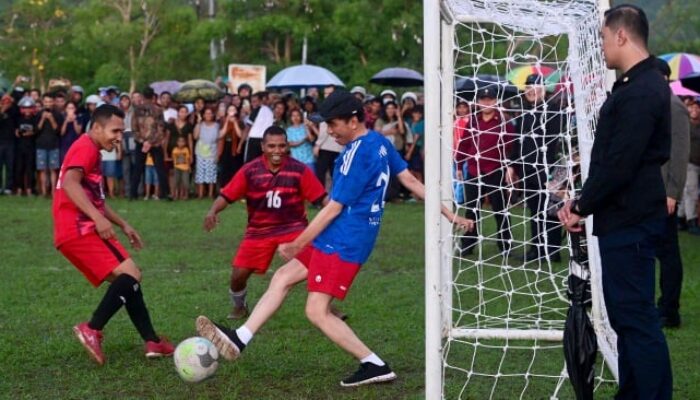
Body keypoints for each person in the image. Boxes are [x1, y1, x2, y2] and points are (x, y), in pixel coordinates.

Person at [195, 92, 474, 386]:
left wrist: (297, 242)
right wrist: (451, 216)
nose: (329, 131)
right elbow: (412, 181)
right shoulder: (379, 141)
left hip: (345, 239)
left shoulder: (355, 154)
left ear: (354, 121)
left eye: (333, 124)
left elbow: (333, 208)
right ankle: (239, 339)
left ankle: (374, 364)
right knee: (283, 277)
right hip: (341, 234)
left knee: (316, 310)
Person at [557, 5, 672, 399]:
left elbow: (619, 164)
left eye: (604, 38)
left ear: (621, 35)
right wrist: (582, 201)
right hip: (622, 219)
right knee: (626, 317)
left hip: (632, 220)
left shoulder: (644, 89)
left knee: (637, 318)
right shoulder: (634, 84)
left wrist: (580, 204)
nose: (602, 46)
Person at [53, 104, 174, 365]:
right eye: (115, 130)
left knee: (129, 280)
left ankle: (152, 340)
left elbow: (94, 199)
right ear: (96, 127)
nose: (119, 136)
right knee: (131, 275)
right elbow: (70, 183)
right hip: (79, 228)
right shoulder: (85, 147)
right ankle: (92, 328)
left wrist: (123, 224)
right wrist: (96, 219)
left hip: (76, 229)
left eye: (122, 130)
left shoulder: (91, 149)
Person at [202, 125, 327, 319]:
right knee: (238, 276)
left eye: (281, 146)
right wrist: (212, 211)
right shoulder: (250, 170)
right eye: (271, 146)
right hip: (259, 231)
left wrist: (338, 213)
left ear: (287, 146)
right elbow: (227, 195)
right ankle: (240, 306)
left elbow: (322, 198)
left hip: (294, 228)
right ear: (262, 146)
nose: (277, 151)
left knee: (318, 263)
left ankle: (326, 309)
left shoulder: (299, 170)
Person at [508, 74, 564, 261]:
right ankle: (536, 249)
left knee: (550, 211)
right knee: (534, 211)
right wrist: (512, 167)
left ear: (543, 89)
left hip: (547, 171)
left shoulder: (554, 111)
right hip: (527, 171)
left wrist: (552, 173)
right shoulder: (524, 115)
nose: (531, 90)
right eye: (528, 87)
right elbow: (517, 144)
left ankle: (552, 251)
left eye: (536, 86)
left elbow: (555, 143)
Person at [654, 59, 691, 328]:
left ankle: (670, 309)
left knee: (668, 252)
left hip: (664, 192)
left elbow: (680, 154)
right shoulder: (656, 103)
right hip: (650, 190)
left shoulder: (674, 107)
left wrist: (673, 192)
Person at [456, 86, 515, 255]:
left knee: (500, 209)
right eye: (483, 99)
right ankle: (468, 244)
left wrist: (509, 168)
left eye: (489, 99)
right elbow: (464, 144)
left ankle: (505, 246)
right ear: (478, 102)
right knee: (472, 210)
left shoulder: (505, 122)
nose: (486, 102)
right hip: (474, 171)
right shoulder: (473, 121)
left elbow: (511, 148)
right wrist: (459, 166)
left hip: (495, 171)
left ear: (495, 101)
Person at [130, 87, 170, 201]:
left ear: (142, 97)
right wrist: (151, 142)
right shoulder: (158, 110)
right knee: (160, 169)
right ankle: (165, 194)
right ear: (153, 97)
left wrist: (143, 141)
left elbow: (134, 129)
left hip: (141, 143)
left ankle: (133, 194)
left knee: (138, 168)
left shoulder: (136, 110)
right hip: (155, 143)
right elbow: (161, 129)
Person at [679, 97, 700, 234]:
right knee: (690, 191)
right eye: (691, 107)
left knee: (688, 191)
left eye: (697, 107)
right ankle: (691, 221)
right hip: (689, 162)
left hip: (697, 163)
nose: (694, 110)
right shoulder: (684, 124)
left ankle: (679, 218)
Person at [36, 93, 63, 197]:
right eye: (46, 102)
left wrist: (51, 119)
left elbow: (58, 131)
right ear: (43, 102)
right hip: (41, 145)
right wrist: (42, 119)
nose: (48, 104)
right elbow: (36, 130)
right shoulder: (38, 114)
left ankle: (53, 191)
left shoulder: (58, 114)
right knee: (42, 169)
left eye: (50, 102)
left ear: (53, 102)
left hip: (54, 145)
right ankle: (43, 191)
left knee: (53, 169)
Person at [193, 107, 223, 198]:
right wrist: (198, 123)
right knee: (200, 173)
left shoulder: (217, 126)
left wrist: (218, 154)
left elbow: (219, 140)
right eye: (206, 113)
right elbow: (195, 136)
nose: (208, 115)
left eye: (210, 113)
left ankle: (210, 194)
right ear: (203, 115)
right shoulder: (200, 125)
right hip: (200, 151)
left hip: (212, 151)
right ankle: (200, 194)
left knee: (211, 174)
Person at [242, 92, 273, 163]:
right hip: (265, 140)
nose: (253, 104)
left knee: (250, 163)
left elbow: (247, 128)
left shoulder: (256, 111)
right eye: (252, 102)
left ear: (261, 101)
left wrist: (240, 144)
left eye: (255, 101)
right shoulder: (270, 111)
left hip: (253, 140)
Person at [217, 104, 243, 188]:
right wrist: (227, 122)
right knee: (224, 169)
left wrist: (235, 123)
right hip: (225, 147)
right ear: (227, 112)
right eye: (230, 110)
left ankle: (234, 188)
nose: (231, 112)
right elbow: (221, 135)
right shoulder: (222, 121)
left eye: (233, 110)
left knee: (235, 168)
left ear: (236, 112)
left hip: (235, 147)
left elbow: (240, 135)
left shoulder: (239, 121)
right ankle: (223, 188)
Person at [0, 94, 15, 194]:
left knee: (10, 166)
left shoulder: (13, 112)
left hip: (10, 142)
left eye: (8, 102)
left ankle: (9, 188)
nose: (6, 104)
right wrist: (2, 111)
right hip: (0, 142)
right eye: (4, 102)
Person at [171, 136, 191, 200]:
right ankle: (175, 195)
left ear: (185, 143)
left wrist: (189, 167)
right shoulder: (174, 150)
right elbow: (173, 159)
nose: (181, 143)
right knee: (176, 182)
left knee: (185, 183)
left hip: (185, 168)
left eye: (182, 141)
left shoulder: (186, 150)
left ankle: (185, 195)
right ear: (177, 142)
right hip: (177, 168)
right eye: (179, 141)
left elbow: (188, 159)